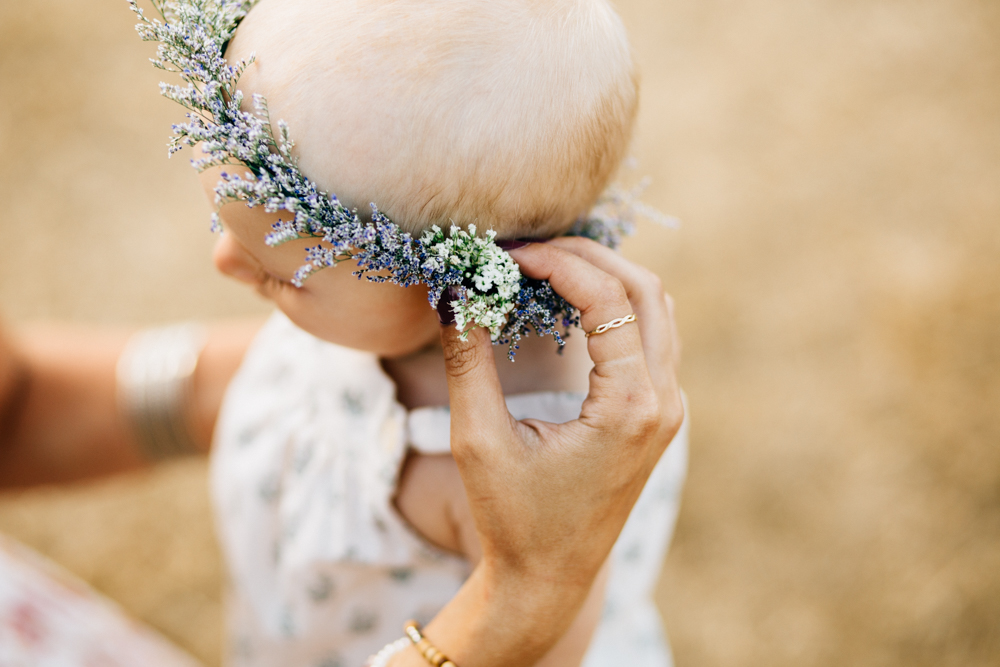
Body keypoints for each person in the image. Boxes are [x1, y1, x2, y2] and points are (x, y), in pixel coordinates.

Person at [0, 0, 688, 664]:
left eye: (281, 273)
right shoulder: (376, 320)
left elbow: (536, 646)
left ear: (457, 285)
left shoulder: (514, 464)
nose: (225, 262)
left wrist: (533, 594)